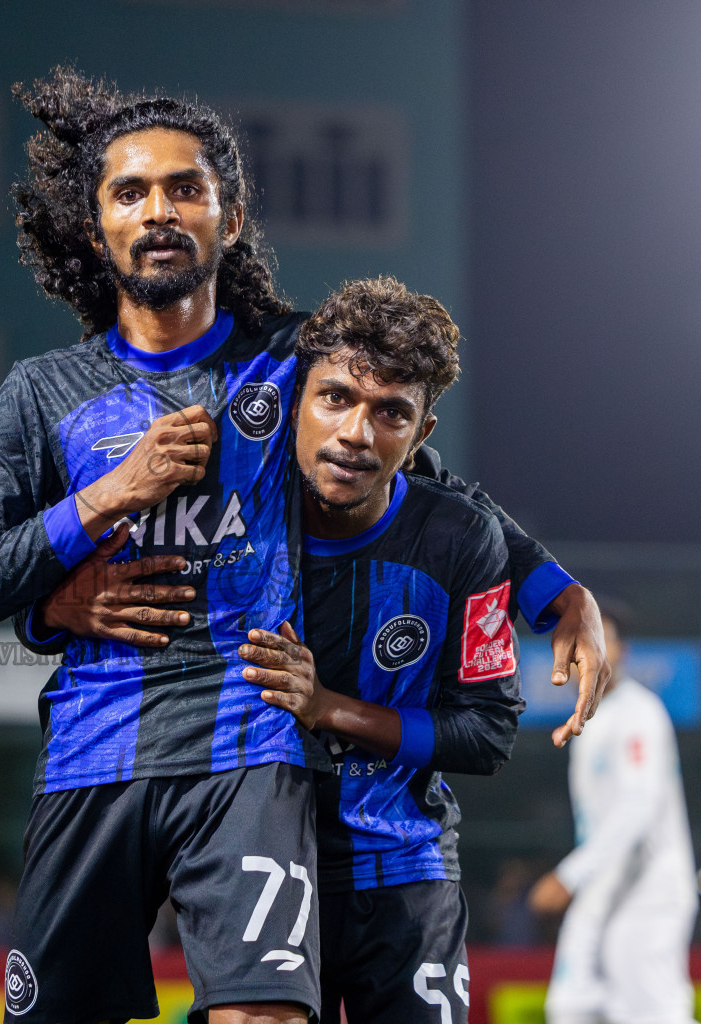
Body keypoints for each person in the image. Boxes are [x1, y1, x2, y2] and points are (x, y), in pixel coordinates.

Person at [0, 68, 603, 1024]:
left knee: (264, 1014)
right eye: (130, 193)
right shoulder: (43, 393)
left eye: (185, 189)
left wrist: (560, 594)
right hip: (92, 755)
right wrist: (106, 506)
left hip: (249, 745)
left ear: (230, 218)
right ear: (95, 226)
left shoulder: (296, 360)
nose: (159, 211)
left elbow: (422, 478)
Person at [224, 277, 522, 1022]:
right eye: (336, 398)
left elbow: (487, 733)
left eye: (391, 412)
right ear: (297, 402)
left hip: (403, 866)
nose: (357, 432)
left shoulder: (464, 540)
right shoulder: (229, 514)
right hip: (258, 864)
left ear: (420, 435)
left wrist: (329, 708)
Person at [528, 605, 699, 1024]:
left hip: (648, 890)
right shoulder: (591, 717)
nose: (589, 651)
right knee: (569, 1007)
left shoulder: (638, 713)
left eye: (602, 641)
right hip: (602, 889)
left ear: (621, 651)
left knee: (651, 1016)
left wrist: (570, 876)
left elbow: (639, 805)